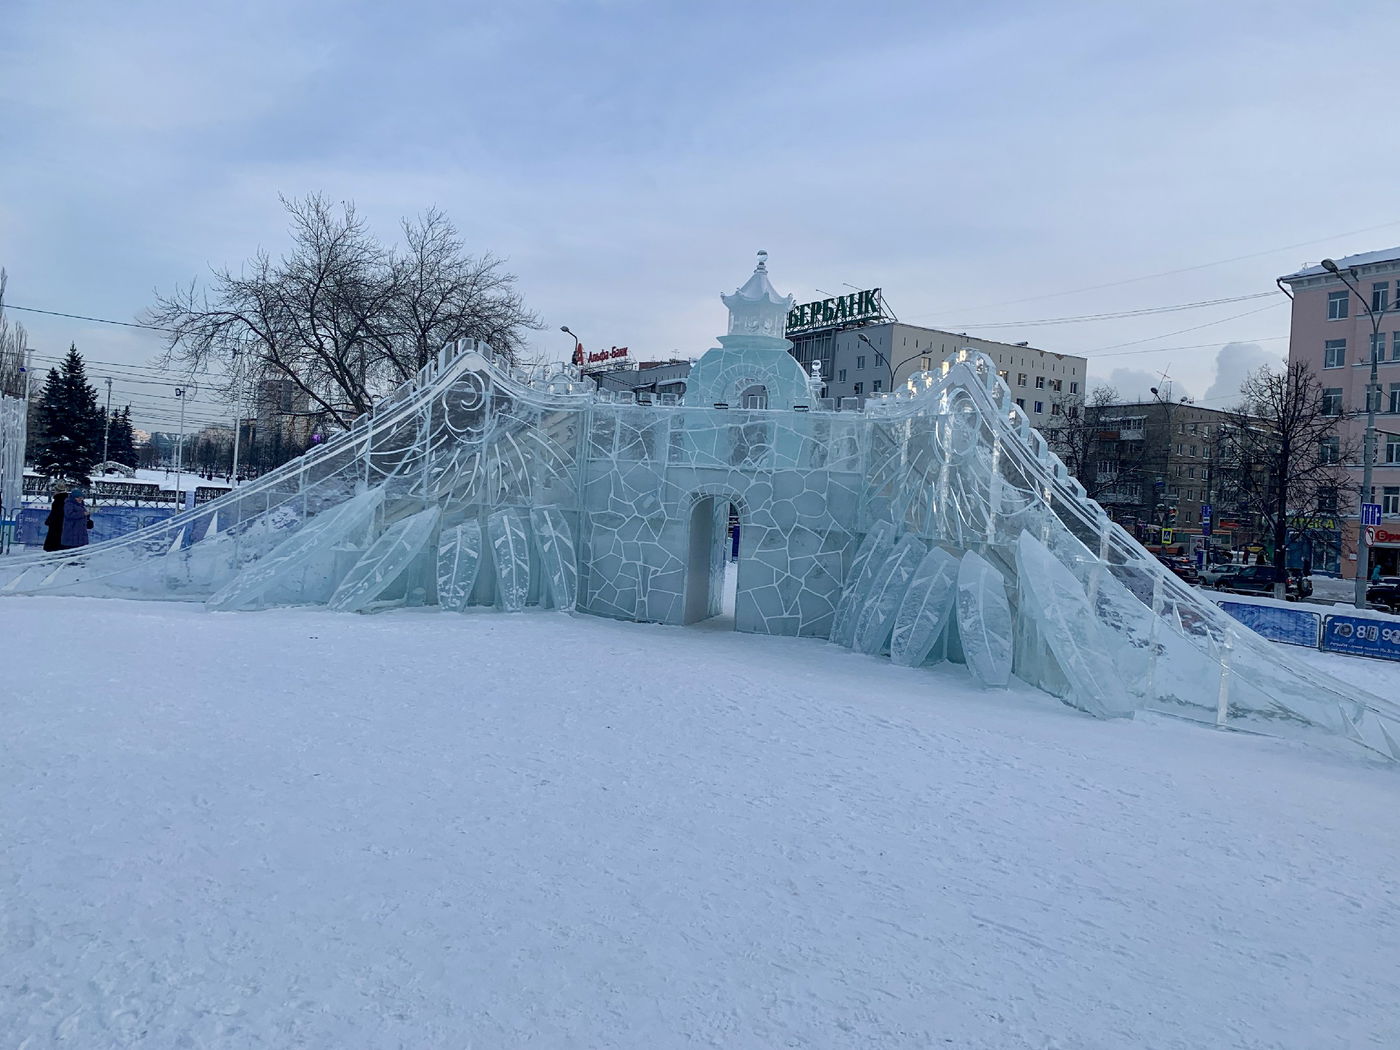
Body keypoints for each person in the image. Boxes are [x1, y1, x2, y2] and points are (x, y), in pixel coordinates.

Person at [42, 483, 93, 552]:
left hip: (60, 526)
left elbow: (55, 514)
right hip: (69, 527)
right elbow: (70, 514)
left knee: (58, 544)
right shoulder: (69, 502)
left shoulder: (60, 501)